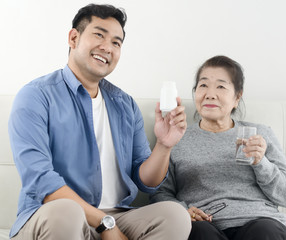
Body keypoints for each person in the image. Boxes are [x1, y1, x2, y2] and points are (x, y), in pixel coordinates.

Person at [8, 4, 191, 240]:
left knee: (176, 216)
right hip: (53, 216)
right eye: (99, 35)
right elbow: (41, 181)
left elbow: (147, 182)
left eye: (116, 42)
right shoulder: (36, 96)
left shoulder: (125, 104)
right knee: (67, 212)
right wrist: (106, 225)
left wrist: (164, 145)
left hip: (116, 214)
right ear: (74, 38)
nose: (107, 47)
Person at [150, 55, 286, 240]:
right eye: (203, 85)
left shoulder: (261, 134)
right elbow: (159, 193)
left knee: (265, 232)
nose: (210, 94)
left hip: (259, 221)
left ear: (237, 97)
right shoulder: (176, 137)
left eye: (221, 86)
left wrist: (261, 163)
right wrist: (183, 211)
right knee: (198, 233)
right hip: (204, 225)